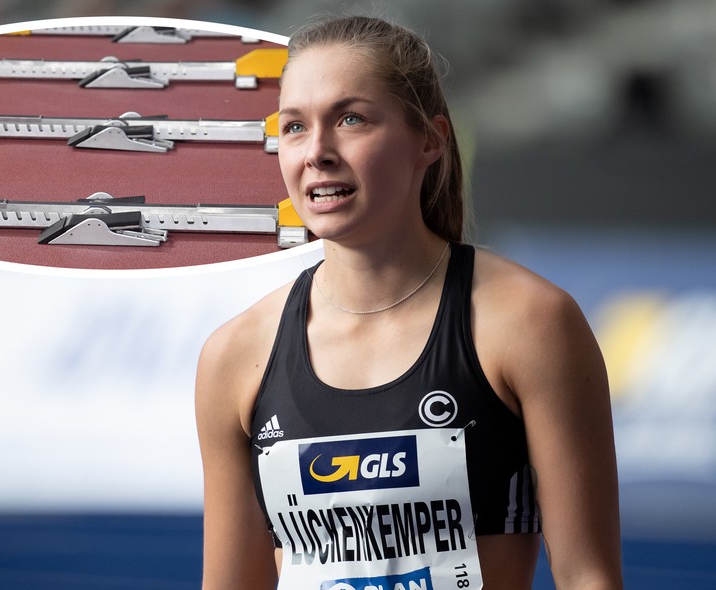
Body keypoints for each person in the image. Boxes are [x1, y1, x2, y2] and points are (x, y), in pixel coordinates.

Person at [195, 15, 622, 590]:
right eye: (294, 127)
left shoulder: (527, 322)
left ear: (430, 140)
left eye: (351, 119)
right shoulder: (235, 354)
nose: (317, 152)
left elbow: (588, 577)